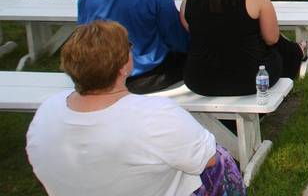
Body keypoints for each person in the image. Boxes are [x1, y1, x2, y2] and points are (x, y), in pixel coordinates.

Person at [26, 20, 246, 196]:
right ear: (123, 66)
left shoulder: (48, 110)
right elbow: (209, 160)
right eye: (128, 46)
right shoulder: (155, 115)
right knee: (221, 159)